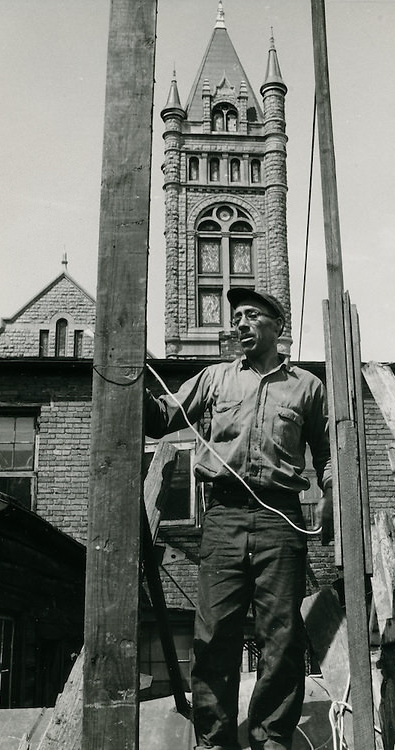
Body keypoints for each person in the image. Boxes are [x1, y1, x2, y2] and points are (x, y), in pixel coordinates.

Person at [145, 288, 332, 750]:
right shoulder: (213, 379)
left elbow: (328, 453)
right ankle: (215, 742)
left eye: (252, 316)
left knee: (282, 639)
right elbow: (160, 418)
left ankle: (270, 739)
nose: (241, 324)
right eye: (237, 317)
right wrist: (128, 373)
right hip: (224, 517)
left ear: (276, 327)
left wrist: (332, 493)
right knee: (212, 637)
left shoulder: (307, 386)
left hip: (281, 519)